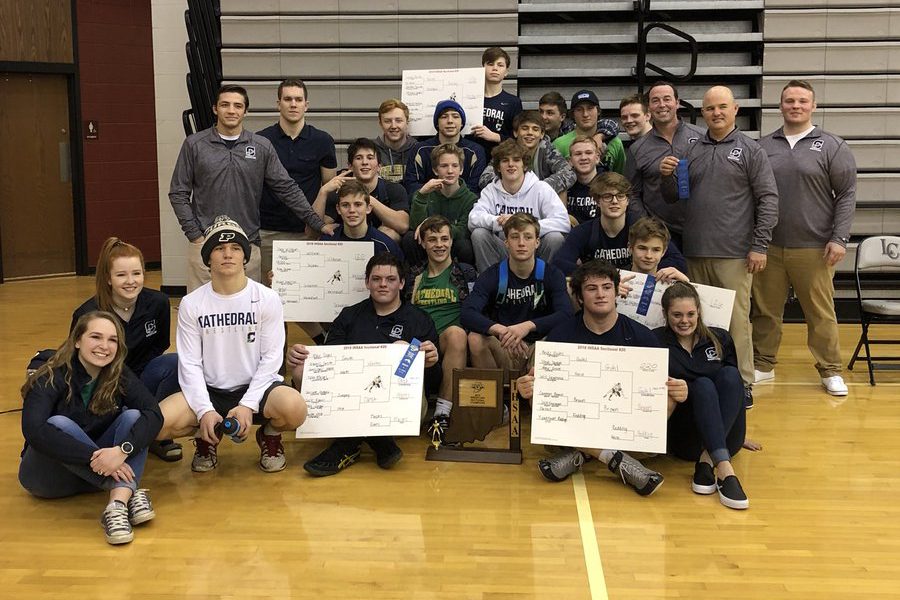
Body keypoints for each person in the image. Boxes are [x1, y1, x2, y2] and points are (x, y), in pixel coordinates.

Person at [516, 260, 687, 495]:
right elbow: (543, 394)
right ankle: (616, 459)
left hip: (621, 423)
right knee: (538, 394)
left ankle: (584, 454)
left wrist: (680, 389)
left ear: (617, 291)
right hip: (577, 421)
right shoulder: (561, 335)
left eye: (607, 287)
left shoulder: (642, 336)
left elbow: (660, 386)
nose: (600, 294)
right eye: (591, 288)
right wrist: (527, 387)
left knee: (668, 397)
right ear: (579, 297)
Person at [155, 216, 309, 473]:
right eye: (219, 248)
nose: (228, 254)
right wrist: (204, 409)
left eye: (236, 248)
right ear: (208, 259)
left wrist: (248, 405)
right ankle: (206, 436)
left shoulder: (267, 298)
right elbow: (190, 364)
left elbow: (272, 360)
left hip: (257, 389)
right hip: (211, 390)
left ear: (245, 257)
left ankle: (269, 435)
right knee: (159, 424)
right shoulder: (192, 304)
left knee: (295, 409)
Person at [660, 85, 779, 407]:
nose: (716, 113)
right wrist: (667, 176)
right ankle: (708, 374)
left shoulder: (750, 150)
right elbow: (675, 196)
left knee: (737, 321)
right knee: (701, 320)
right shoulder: (693, 148)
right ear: (703, 112)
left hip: (735, 252)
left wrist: (760, 245)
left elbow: (768, 199)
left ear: (735, 109)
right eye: (710, 108)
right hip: (696, 249)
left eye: (722, 107)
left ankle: (742, 383)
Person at [169, 84, 334, 292]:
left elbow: (287, 189)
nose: (231, 110)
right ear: (215, 109)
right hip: (205, 244)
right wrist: (195, 235)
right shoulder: (194, 145)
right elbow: (178, 192)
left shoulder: (261, 146)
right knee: (204, 316)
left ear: (245, 111)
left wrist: (317, 223)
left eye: (238, 106)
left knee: (248, 316)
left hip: (248, 245)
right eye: (225, 105)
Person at [289, 253, 441, 476]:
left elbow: (433, 381)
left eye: (390, 279)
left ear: (401, 283)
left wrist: (430, 362)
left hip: (401, 406)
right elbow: (330, 362)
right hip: (349, 400)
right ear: (367, 282)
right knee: (301, 369)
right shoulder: (349, 315)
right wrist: (300, 357)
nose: (382, 284)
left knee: (401, 347)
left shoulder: (419, 320)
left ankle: (346, 445)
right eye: (376, 278)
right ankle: (377, 441)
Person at [19, 311, 164, 545]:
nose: (104, 346)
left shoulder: (118, 374)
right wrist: (94, 457)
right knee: (59, 424)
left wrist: (122, 450)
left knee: (134, 416)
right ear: (77, 341)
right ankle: (127, 489)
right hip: (47, 478)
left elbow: (154, 414)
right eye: (95, 337)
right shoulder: (51, 375)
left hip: (95, 476)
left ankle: (116, 505)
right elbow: (33, 430)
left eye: (112, 340)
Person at [751, 80, 856, 397]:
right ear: (780, 105)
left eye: (802, 101)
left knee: (820, 314)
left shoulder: (832, 145)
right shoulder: (763, 146)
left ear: (813, 106)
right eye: (789, 100)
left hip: (815, 248)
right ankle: (763, 364)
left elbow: (847, 194)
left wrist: (839, 237)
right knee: (766, 312)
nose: (795, 106)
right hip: (770, 247)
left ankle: (830, 370)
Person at [71, 237, 180, 461]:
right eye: (121, 275)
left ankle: (157, 435)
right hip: (104, 381)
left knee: (174, 363)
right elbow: (77, 364)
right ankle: (120, 430)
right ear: (108, 279)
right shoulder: (87, 313)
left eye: (136, 273)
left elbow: (160, 345)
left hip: (142, 377)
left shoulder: (158, 302)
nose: (131, 281)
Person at [655, 282, 749, 509]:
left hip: (728, 438)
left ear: (699, 311)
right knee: (703, 385)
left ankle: (709, 461)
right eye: (676, 315)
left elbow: (733, 391)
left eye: (690, 314)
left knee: (729, 375)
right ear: (665, 314)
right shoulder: (655, 341)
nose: (684, 320)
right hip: (685, 438)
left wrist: (728, 426)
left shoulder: (720, 338)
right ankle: (724, 471)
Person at [462, 213, 573, 375]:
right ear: (506, 242)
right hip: (505, 346)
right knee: (475, 338)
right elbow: (467, 313)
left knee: (560, 338)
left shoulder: (552, 274)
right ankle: (496, 398)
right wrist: (501, 330)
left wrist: (526, 326)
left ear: (537, 243)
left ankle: (539, 396)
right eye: (515, 237)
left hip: (539, 347)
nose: (521, 243)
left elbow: (566, 314)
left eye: (527, 237)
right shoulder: (493, 275)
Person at [406, 216, 478, 446]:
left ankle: (442, 414)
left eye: (444, 239)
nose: (439, 244)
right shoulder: (414, 276)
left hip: (450, 344)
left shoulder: (466, 273)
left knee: (457, 333)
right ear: (423, 244)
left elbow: (477, 310)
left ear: (451, 242)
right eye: (433, 239)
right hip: (417, 346)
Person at [257, 79, 338, 278]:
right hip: (268, 232)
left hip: (307, 232)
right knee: (268, 293)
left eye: (298, 99)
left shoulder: (323, 141)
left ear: (306, 105)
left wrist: (321, 224)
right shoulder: (261, 140)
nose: (293, 104)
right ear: (278, 104)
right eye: (288, 99)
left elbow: (330, 187)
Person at [554, 172, 686, 276]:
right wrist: (603, 276)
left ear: (628, 200)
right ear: (597, 201)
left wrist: (647, 271)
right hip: (601, 288)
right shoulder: (585, 231)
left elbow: (678, 261)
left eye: (620, 196)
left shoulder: (641, 226)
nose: (615, 201)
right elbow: (560, 263)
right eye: (607, 196)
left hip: (635, 285)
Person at [468, 139, 571, 272]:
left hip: (534, 250)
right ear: (498, 167)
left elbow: (563, 222)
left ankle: (543, 284)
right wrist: (498, 221)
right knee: (479, 234)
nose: (511, 164)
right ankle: (491, 285)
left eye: (516, 160)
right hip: (505, 248)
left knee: (555, 238)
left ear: (524, 165)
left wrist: (525, 225)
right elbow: (473, 219)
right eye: (505, 160)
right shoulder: (491, 189)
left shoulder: (541, 188)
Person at [625, 81, 705, 249]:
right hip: (661, 234)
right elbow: (631, 194)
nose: (662, 105)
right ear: (649, 108)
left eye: (667, 99)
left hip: (701, 228)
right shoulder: (637, 149)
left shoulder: (702, 137)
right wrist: (647, 225)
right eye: (655, 100)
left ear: (677, 103)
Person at [315, 137, 410, 242]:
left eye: (370, 158)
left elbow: (403, 226)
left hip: (379, 248)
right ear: (350, 166)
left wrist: (368, 199)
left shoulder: (394, 189)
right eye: (359, 158)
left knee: (389, 233)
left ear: (379, 166)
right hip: (347, 243)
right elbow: (313, 232)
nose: (365, 162)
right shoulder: (339, 191)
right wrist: (323, 192)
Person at [403, 143, 478, 266]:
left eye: (455, 166)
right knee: (410, 238)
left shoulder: (471, 199)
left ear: (461, 169)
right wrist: (422, 195)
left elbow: (462, 231)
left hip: (452, 246)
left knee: (464, 245)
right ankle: (418, 274)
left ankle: (459, 277)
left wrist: (431, 224)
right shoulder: (425, 192)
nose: (450, 171)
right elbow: (415, 225)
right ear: (435, 170)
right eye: (444, 166)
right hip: (428, 244)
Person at [478, 110, 575, 198]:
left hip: (538, 199)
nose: (530, 133)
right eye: (525, 128)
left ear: (542, 134)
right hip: (509, 199)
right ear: (516, 132)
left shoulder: (546, 149)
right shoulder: (506, 149)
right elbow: (484, 178)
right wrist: (513, 186)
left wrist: (538, 188)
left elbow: (569, 173)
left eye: (535, 129)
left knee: (562, 191)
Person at [403, 100, 487, 196]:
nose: (450, 121)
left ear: (462, 123)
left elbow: (475, 189)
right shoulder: (420, 149)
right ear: (437, 123)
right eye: (444, 117)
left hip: (464, 206)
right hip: (428, 206)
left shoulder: (475, 151)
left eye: (455, 116)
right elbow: (411, 186)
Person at [320, 179, 405, 260]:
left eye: (358, 204)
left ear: (368, 208)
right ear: (338, 209)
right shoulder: (327, 242)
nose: (352, 210)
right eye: (345, 205)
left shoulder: (386, 246)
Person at [553, 90, 626, 175]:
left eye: (590, 108)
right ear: (573, 114)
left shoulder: (615, 142)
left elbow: (620, 176)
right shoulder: (559, 144)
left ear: (598, 111)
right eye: (579, 109)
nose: (585, 114)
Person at [468, 46, 523, 156]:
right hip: (471, 157)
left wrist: (495, 136)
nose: (495, 68)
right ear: (482, 68)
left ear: (506, 72)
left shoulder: (513, 102)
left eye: (500, 65)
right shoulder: (469, 98)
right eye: (490, 64)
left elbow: (519, 138)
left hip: (500, 158)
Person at [563, 135, 606, 226]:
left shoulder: (608, 184)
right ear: (570, 161)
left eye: (588, 153)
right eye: (578, 154)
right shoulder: (563, 185)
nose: (583, 157)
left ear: (597, 158)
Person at [374, 98, 416, 183]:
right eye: (387, 121)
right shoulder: (371, 151)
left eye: (398, 120)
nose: (393, 126)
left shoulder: (418, 150)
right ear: (380, 124)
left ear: (407, 122)